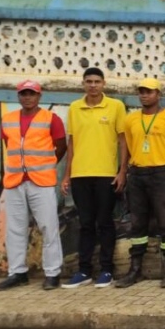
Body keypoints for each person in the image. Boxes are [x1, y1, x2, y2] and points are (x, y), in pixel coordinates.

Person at [0, 79, 66, 291]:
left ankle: (53, 273)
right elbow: (10, 146)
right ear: (18, 96)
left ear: (39, 96)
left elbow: (61, 146)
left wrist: (45, 165)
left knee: (48, 227)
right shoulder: (7, 120)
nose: (27, 97)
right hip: (15, 182)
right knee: (15, 229)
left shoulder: (51, 119)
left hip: (41, 182)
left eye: (32, 94)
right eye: (24, 94)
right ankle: (17, 273)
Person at [60, 67, 127, 288]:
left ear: (104, 83)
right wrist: (67, 175)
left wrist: (122, 171)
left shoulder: (116, 106)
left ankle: (107, 270)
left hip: (106, 174)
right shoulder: (74, 108)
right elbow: (72, 143)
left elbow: (123, 141)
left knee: (105, 222)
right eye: (89, 81)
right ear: (83, 84)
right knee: (86, 224)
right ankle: (84, 271)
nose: (93, 85)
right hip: (80, 175)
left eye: (97, 81)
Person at [118, 77, 165, 289]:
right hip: (137, 174)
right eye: (142, 91)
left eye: (149, 91)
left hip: (162, 173)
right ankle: (135, 269)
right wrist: (123, 171)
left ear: (158, 94)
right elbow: (126, 147)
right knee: (137, 223)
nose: (145, 95)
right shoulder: (131, 120)